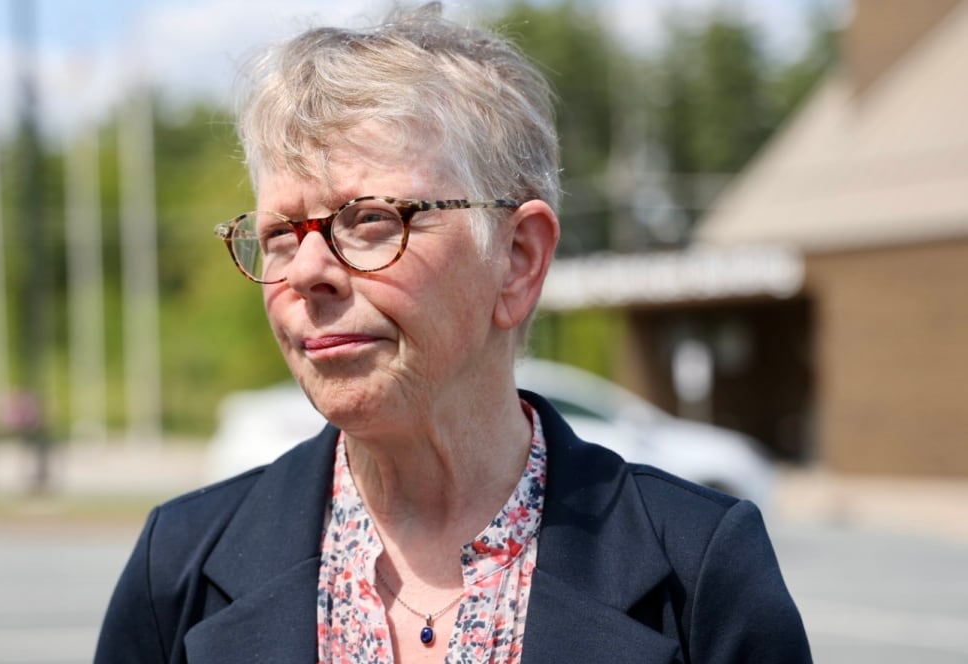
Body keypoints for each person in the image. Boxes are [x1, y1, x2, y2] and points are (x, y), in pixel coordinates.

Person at [95, 4, 812, 662]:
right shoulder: (179, 564)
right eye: (282, 233)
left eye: (369, 219)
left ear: (517, 260)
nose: (307, 270)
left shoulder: (699, 569)